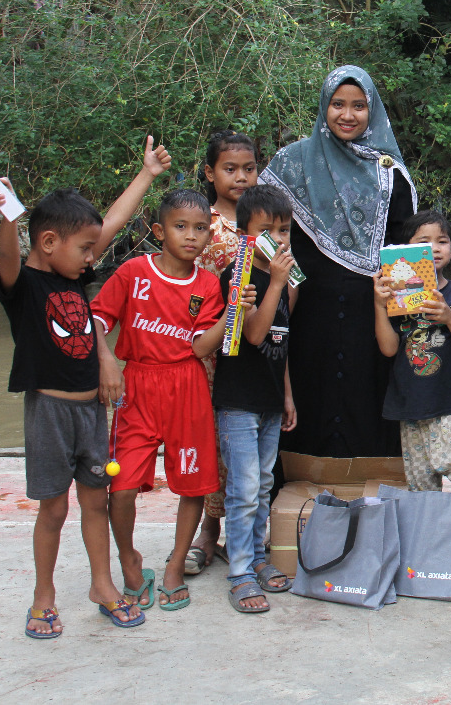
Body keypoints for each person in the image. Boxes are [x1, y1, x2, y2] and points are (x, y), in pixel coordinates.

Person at [0, 134, 171, 637]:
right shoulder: (25, 288)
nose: (94, 257)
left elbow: (108, 223)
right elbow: (7, 257)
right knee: (54, 506)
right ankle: (44, 595)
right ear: (48, 243)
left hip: (92, 413)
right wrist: (6, 217)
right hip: (49, 411)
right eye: (84, 249)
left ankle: (102, 585)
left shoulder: (74, 278)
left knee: (94, 501)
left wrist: (147, 174)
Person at [94, 189, 243, 611]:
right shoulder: (133, 273)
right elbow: (97, 319)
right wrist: (107, 361)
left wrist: (234, 310)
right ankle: (129, 560)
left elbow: (201, 348)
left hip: (189, 389)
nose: (191, 236)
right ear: (159, 231)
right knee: (121, 487)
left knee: (193, 483)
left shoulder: (208, 284)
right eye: (181, 227)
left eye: (200, 229)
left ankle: (176, 564)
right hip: (138, 386)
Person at [259, 65, 416, 459]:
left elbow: (403, 248)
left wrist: (405, 312)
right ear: (323, 107)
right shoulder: (291, 164)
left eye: (359, 105)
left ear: (372, 110)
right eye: (338, 104)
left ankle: (370, 504)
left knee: (368, 404)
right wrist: (288, 281)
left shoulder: (388, 173)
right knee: (308, 403)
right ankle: (297, 504)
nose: (348, 115)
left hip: (372, 314)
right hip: (307, 312)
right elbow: (261, 230)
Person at [213, 184, 299, 613]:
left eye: (284, 230)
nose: (279, 239)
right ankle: (241, 572)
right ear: (245, 235)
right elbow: (255, 333)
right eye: (267, 231)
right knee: (244, 489)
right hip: (237, 401)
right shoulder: (239, 275)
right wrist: (277, 282)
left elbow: (280, 344)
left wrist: (287, 397)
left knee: (263, 484)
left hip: (267, 400)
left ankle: (258, 556)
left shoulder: (285, 282)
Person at [188, 129, 263, 575]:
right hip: (213, 346)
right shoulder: (200, 222)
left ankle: (252, 531)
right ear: (210, 172)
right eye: (229, 169)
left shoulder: (264, 219)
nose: (240, 178)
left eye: (248, 169)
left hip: (258, 346)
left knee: (254, 443)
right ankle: (208, 530)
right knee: (214, 441)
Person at [374, 209, 451, 502]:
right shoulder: (396, 297)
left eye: (441, 241)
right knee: (421, 488)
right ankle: (432, 544)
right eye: (424, 241)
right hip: (410, 404)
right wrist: (379, 305)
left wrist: (449, 317)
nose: (434, 248)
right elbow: (389, 348)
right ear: (407, 250)